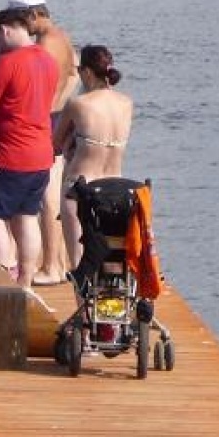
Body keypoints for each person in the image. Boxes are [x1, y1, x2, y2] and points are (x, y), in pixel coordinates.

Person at [0, 6, 57, 290]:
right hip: (41, 155)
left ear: (5, 30)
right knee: (27, 217)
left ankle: (3, 283)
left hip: (9, 156)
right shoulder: (48, 60)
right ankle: (25, 283)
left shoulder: (8, 62)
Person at [7, 0, 78, 284]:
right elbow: (73, 74)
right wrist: (61, 103)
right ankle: (57, 261)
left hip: (46, 121)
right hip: (57, 116)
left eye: (22, 21)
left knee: (47, 199)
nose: (21, 28)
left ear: (34, 15)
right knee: (52, 194)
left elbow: (39, 85)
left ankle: (50, 266)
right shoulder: (62, 36)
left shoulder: (45, 45)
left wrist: (43, 111)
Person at [52, 44, 134, 273]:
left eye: (79, 71)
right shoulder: (126, 103)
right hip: (115, 189)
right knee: (112, 260)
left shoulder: (78, 104)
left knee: (80, 263)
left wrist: (71, 143)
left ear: (87, 72)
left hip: (81, 188)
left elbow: (55, 143)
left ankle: (83, 307)